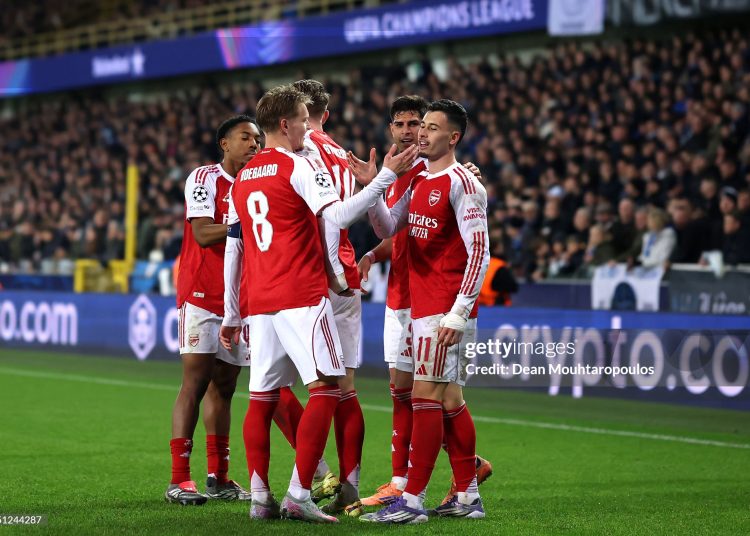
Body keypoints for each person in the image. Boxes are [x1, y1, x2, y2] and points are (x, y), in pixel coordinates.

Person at [220, 84, 417, 523]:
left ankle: (259, 497)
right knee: (330, 388)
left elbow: (236, 245)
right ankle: (299, 492)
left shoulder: (243, 176)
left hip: (260, 298)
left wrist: (234, 312)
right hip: (304, 292)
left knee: (261, 398)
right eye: (302, 120)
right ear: (288, 124)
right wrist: (383, 177)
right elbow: (338, 217)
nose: (307, 127)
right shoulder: (302, 163)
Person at [351, 96, 492, 508]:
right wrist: (373, 186)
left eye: (429, 127)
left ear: (453, 137)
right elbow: (388, 226)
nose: (421, 133)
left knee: (426, 399)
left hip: (445, 310)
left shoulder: (464, 183)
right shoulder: (417, 182)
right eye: (417, 125)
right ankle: (466, 494)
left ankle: (411, 499)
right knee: (448, 400)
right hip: (423, 307)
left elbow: (479, 252)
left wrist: (458, 312)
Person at [166, 115, 261, 505]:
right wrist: (248, 223)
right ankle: (178, 479)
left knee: (226, 386)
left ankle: (219, 477)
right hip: (201, 293)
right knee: (196, 380)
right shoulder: (204, 178)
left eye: (257, 138)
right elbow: (204, 233)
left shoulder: (259, 181)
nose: (254, 144)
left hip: (238, 299)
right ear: (224, 143)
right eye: (245, 137)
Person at [291, 78, 365, 515]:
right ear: (328, 114)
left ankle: (317, 475)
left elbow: (322, 216)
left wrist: (330, 270)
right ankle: (350, 488)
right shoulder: (342, 152)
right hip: (347, 274)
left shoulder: (301, 149)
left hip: (312, 275)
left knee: (280, 382)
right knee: (346, 390)